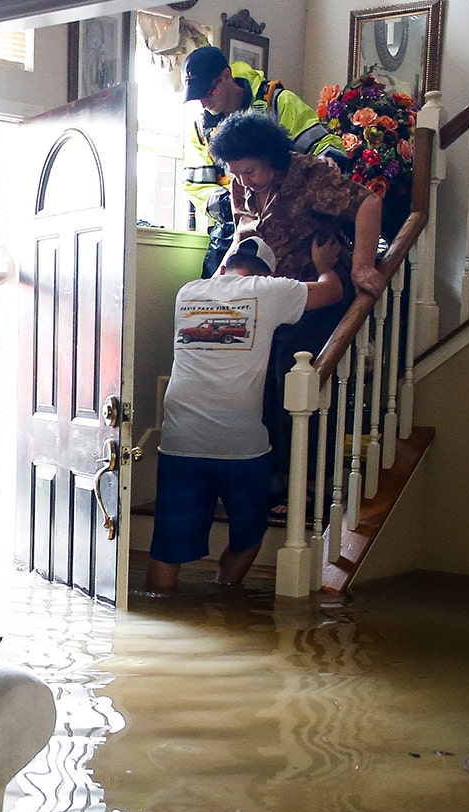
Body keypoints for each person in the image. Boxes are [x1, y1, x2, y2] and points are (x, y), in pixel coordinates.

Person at [144, 234, 345, 596]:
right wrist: (324, 267)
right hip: (241, 444)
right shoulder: (269, 291)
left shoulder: (188, 292)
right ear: (269, 272)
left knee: (167, 546)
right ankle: (224, 593)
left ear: (222, 267)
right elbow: (331, 292)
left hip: (180, 440)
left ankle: (160, 607)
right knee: (249, 534)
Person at [210, 111, 384, 505]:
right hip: (271, 297)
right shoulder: (243, 184)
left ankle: (307, 478)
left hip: (319, 294)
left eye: (250, 170)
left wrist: (362, 265)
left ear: (269, 156)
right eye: (237, 173)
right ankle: (270, 474)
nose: (243, 181)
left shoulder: (309, 177)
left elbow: (368, 203)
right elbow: (242, 226)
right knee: (254, 378)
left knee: (296, 376)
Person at [182, 45, 345, 276]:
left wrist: (327, 160)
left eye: (208, 92)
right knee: (214, 301)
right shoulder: (200, 128)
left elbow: (324, 144)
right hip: (231, 230)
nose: (203, 103)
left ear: (226, 76)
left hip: (288, 225)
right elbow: (197, 187)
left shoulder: (277, 102)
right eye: (197, 97)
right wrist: (236, 202)